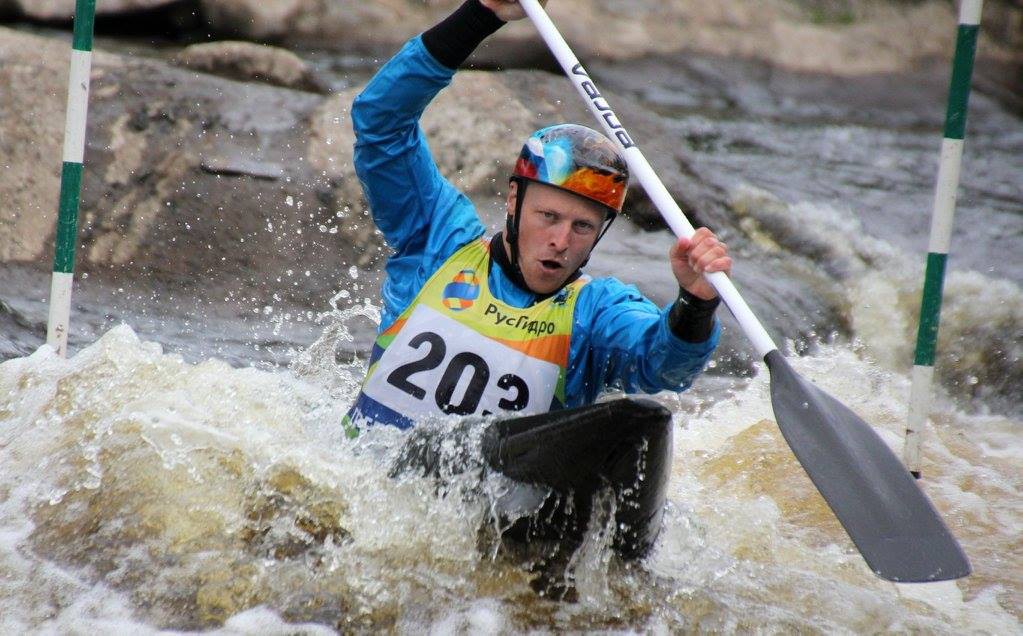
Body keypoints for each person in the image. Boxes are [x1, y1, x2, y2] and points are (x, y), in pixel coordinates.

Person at [342, 0, 731, 560]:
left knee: (641, 421)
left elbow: (664, 366)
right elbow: (380, 121)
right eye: (548, 216)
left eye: (582, 227)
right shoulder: (437, 238)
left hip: (492, 523)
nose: (560, 241)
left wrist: (695, 302)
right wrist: (479, 16)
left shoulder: (596, 310)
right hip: (364, 489)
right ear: (513, 201)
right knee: (437, 447)